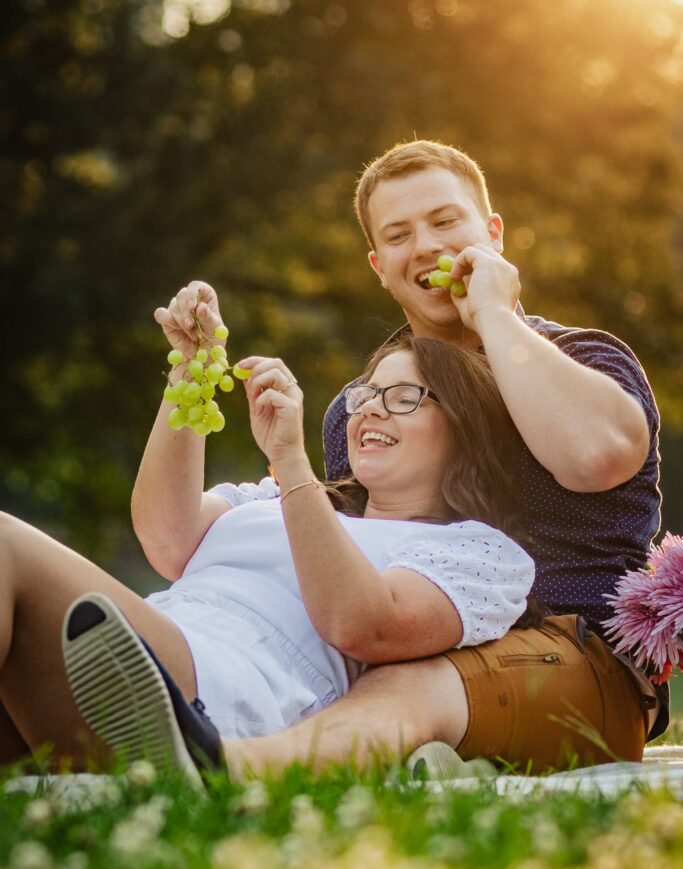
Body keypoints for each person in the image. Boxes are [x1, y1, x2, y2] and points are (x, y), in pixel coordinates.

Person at [208, 139, 665, 779]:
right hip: (397, 648)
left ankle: (225, 771)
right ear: (378, 264)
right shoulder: (360, 409)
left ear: (493, 234)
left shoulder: (588, 359)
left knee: (415, 686)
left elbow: (594, 458)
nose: (424, 245)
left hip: (578, 662)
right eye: (399, 234)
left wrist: (493, 316)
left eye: (445, 221)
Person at [0, 317, 535, 783]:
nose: (371, 410)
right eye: (366, 394)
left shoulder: (479, 552)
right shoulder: (270, 499)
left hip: (222, 691)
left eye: (403, 397)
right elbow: (166, 538)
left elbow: (361, 623)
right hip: (149, 639)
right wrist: (192, 371)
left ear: (466, 426)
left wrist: (291, 458)